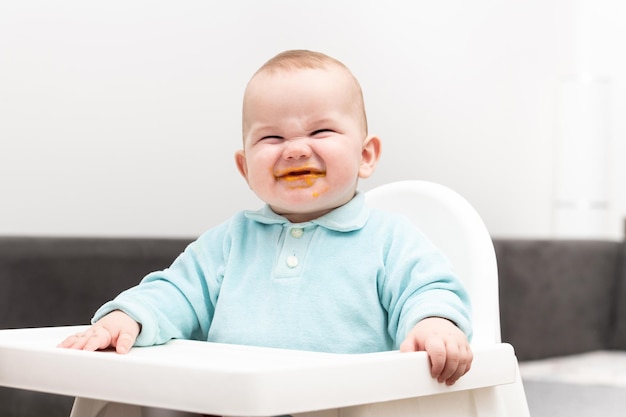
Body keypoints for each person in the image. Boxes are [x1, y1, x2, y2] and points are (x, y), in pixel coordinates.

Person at [59, 49, 473, 387]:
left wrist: (434, 323)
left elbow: (427, 288)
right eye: (272, 137)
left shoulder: (390, 239)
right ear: (245, 168)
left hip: (348, 406)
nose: (294, 149)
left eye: (320, 132)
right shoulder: (229, 243)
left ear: (365, 156)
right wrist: (128, 316)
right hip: (234, 406)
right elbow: (176, 291)